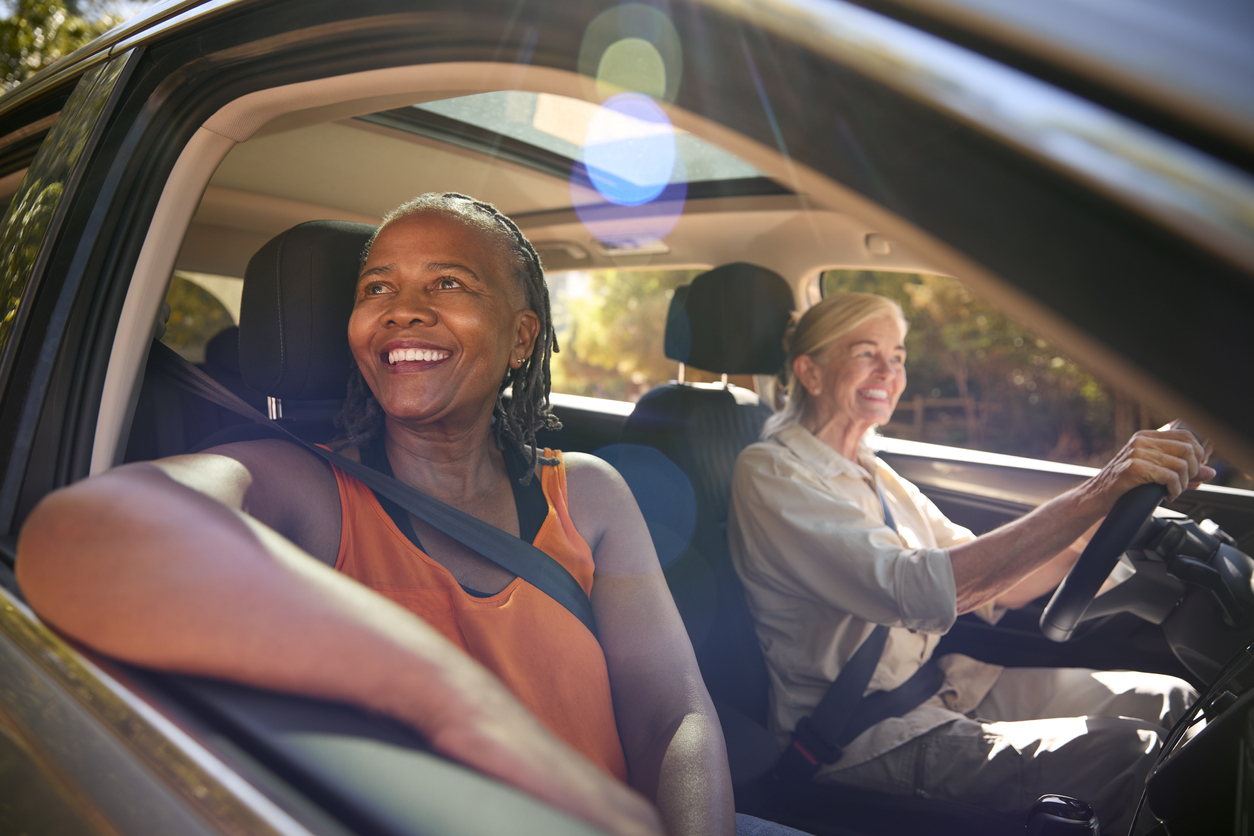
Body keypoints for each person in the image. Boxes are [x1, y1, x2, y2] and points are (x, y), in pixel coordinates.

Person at [17, 194, 804, 836]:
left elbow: (674, 713)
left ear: (522, 337)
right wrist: (454, 702)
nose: (402, 311)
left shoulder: (588, 493)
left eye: (448, 284)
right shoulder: (301, 487)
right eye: (377, 288)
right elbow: (86, 531)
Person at [728, 292, 1209, 833]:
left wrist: (1105, 519)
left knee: (1176, 701)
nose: (889, 370)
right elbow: (928, 591)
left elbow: (1003, 584)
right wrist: (1094, 494)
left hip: (940, 684)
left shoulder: (878, 476)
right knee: (1130, 753)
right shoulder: (771, 473)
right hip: (853, 732)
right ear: (810, 373)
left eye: (899, 355)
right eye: (867, 353)